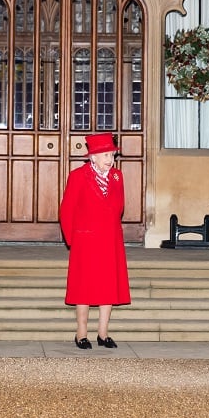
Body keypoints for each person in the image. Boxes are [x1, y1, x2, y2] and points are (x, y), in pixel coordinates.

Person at [60, 133, 130, 349]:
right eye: (105, 155)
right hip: (85, 240)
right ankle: (81, 334)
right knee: (84, 287)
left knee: (108, 286)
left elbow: (119, 207)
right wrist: (73, 239)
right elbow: (67, 209)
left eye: (111, 154)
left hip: (110, 240)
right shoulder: (78, 176)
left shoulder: (117, 176)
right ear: (93, 157)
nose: (110, 159)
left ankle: (103, 334)